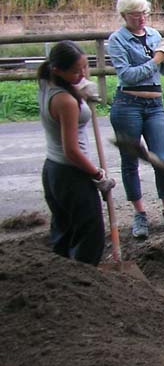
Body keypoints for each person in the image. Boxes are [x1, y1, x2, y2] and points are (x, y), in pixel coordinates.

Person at [107, 0, 164, 239]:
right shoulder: (117, 40)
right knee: (130, 161)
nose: (142, 18)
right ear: (124, 15)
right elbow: (127, 75)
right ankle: (140, 215)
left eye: (144, 13)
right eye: (136, 15)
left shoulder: (155, 34)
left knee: (162, 160)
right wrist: (157, 58)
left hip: (155, 105)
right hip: (128, 105)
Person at [38, 40, 115, 265]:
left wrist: (79, 91)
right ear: (57, 70)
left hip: (52, 169)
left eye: (84, 66)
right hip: (71, 174)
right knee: (91, 235)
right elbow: (71, 150)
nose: (82, 73)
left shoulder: (45, 83)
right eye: (75, 71)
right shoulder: (65, 101)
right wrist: (98, 175)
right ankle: (83, 284)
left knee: (64, 231)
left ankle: (61, 281)